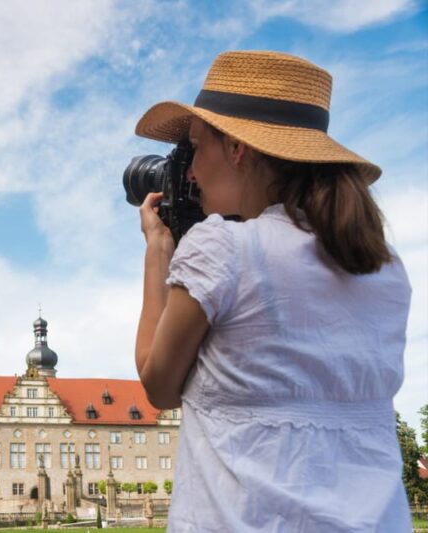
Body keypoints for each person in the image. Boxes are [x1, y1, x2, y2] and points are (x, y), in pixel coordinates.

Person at [133, 50, 411, 531]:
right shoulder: (386, 267)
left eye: (196, 147)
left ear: (238, 149)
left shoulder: (223, 247)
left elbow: (159, 385)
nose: (191, 172)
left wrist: (159, 250)